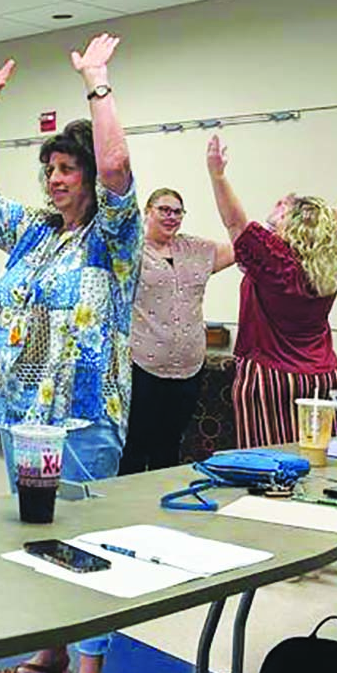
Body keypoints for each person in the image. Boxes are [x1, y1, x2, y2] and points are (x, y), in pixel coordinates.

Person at [0, 36, 142, 673]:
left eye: (69, 168)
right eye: (51, 169)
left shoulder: (115, 235)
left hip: (82, 416)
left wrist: (96, 82)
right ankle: (51, 655)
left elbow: (122, 165)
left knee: (87, 542)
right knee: (37, 539)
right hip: (20, 414)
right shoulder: (33, 233)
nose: (57, 179)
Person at [206, 134, 337, 447]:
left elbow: (234, 221)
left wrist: (217, 175)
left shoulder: (276, 263)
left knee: (271, 463)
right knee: (320, 459)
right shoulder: (332, 258)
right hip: (322, 377)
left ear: (291, 227)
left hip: (270, 378)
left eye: (285, 210)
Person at [118, 187, 233, 473]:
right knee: (135, 443)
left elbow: (239, 248)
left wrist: (268, 225)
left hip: (188, 368)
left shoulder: (194, 250)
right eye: (164, 210)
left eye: (177, 211)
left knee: (169, 444)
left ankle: (161, 505)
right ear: (148, 212)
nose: (171, 217)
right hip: (143, 364)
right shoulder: (131, 250)